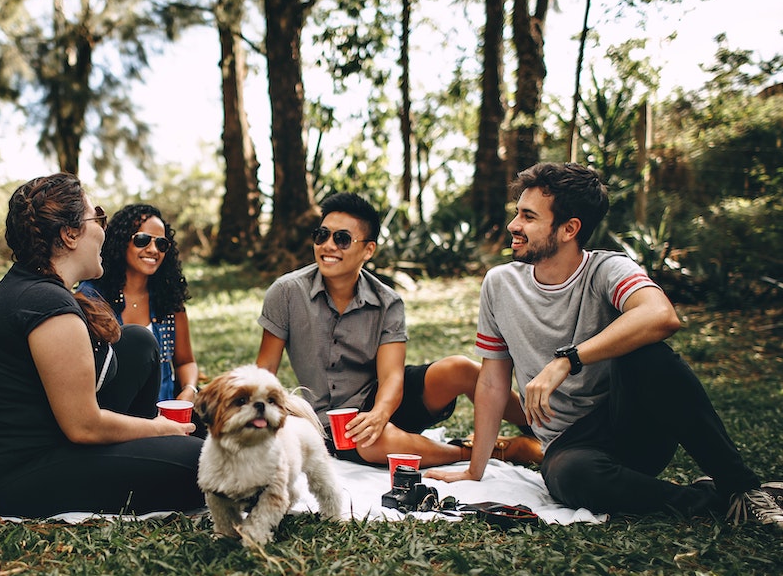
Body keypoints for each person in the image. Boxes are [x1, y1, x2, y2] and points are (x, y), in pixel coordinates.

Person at [426, 161, 783, 529]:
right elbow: (491, 382)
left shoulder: (607, 269)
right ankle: (711, 500)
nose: (514, 226)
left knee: (648, 355)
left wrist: (567, 360)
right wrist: (475, 469)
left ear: (569, 229)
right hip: (570, 447)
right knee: (569, 476)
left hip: (631, 424)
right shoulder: (500, 284)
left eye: (528, 217)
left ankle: (742, 488)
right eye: (517, 213)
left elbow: (662, 316)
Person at [0, 173, 205, 518]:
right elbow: (84, 426)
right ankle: (159, 449)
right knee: (202, 464)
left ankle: (154, 449)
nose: (103, 229)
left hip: (46, 440)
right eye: (97, 217)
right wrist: (161, 427)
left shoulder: (36, 288)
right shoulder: (46, 305)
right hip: (8, 476)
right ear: (69, 234)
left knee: (137, 342)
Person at [256, 192, 536, 468]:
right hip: (332, 422)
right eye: (322, 235)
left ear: (368, 250)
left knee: (460, 369)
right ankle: (490, 451)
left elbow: (391, 376)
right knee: (372, 441)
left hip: (384, 399)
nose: (328, 246)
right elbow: (264, 370)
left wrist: (379, 414)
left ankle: (540, 427)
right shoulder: (287, 292)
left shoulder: (387, 301)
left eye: (341, 239)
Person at [79, 204, 199, 405]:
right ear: (121, 242)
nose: (153, 250)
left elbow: (185, 361)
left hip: (166, 415)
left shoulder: (168, 298)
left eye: (161, 244)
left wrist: (189, 390)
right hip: (114, 416)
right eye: (142, 240)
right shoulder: (92, 297)